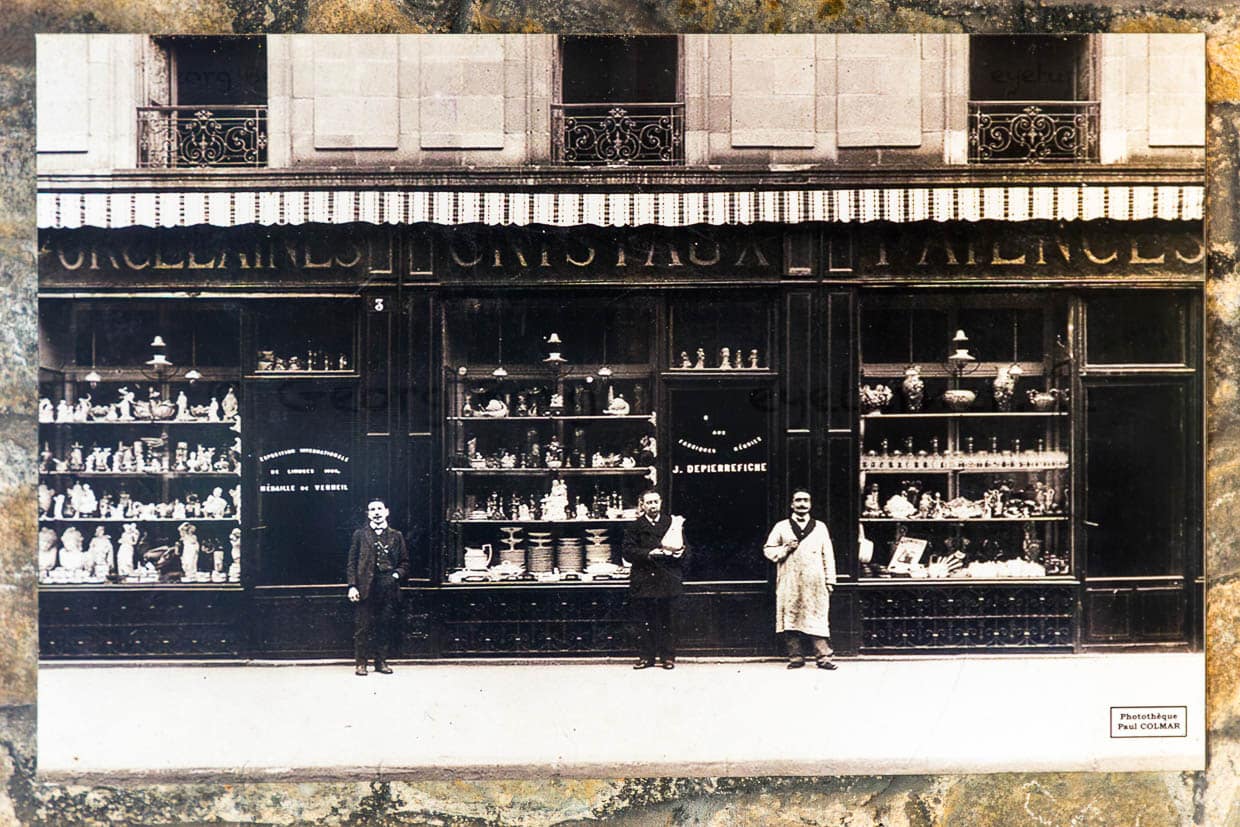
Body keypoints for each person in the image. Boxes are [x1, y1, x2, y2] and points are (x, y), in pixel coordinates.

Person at [763, 489, 838, 670]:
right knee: (791, 615)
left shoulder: (820, 527)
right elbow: (768, 550)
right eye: (798, 500)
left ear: (810, 504)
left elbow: (828, 554)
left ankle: (823, 658)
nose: (802, 504)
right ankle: (795, 657)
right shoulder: (781, 526)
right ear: (792, 504)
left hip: (815, 580)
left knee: (817, 617)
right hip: (790, 579)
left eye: (806, 500)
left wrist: (830, 580)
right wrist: (785, 549)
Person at [621, 489, 687, 670]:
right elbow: (627, 552)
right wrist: (649, 553)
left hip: (668, 579)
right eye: (648, 503)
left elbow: (686, 548)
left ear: (661, 503)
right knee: (645, 621)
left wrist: (681, 552)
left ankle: (668, 657)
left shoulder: (671, 523)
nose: (652, 506)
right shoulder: (635, 527)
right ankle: (646, 657)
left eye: (655, 502)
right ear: (642, 505)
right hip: (645, 581)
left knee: (669, 621)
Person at [347, 498, 408, 676]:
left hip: (387, 586)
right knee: (363, 627)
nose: (376, 512)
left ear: (386, 512)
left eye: (379, 508)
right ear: (368, 514)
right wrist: (352, 586)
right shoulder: (360, 534)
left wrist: (395, 575)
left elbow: (405, 563)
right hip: (365, 587)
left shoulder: (397, 536)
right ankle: (361, 664)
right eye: (372, 509)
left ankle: (381, 662)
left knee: (384, 625)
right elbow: (351, 563)